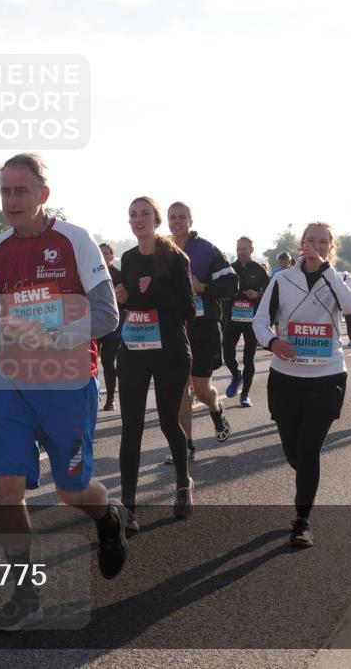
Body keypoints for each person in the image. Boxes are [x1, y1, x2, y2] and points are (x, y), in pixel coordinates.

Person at [0, 153, 127, 631]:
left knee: (72, 490)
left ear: (43, 194)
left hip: (68, 384)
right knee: (6, 489)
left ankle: (107, 518)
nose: (12, 200)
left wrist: (57, 335)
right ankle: (25, 595)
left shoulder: (75, 240)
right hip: (13, 385)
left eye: (21, 191)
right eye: (5, 192)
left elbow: (107, 315)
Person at [253, 222, 351, 547]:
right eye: (310, 241)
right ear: (301, 244)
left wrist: (326, 269)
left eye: (323, 242)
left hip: (327, 376)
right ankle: (307, 479)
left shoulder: (341, 279)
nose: (315, 246)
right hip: (286, 377)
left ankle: (302, 520)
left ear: (331, 246)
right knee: (294, 450)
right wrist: (273, 343)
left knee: (309, 448)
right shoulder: (282, 279)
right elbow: (259, 321)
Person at [116, 197, 195, 532]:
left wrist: (158, 288)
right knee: (130, 427)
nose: (138, 219)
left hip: (170, 351)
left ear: (156, 220)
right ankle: (129, 508)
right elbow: (134, 304)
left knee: (166, 421)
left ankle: (182, 483)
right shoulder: (128, 258)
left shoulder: (175, 257)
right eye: (133, 214)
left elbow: (188, 310)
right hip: (134, 349)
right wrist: (123, 298)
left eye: (144, 214)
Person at [165, 202, 238, 465]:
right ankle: (185, 447)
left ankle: (216, 408)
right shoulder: (162, 248)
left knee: (202, 389)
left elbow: (231, 285)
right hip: (174, 328)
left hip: (203, 327)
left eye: (182, 217)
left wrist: (203, 286)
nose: (177, 221)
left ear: (190, 220)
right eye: (172, 217)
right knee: (180, 389)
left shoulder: (207, 249)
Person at [223, 236, 268, 407]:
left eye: (244, 249)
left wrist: (257, 295)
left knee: (249, 358)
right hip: (233, 318)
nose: (241, 252)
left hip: (252, 320)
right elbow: (221, 289)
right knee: (227, 352)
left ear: (251, 250)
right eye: (238, 249)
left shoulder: (258, 270)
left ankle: (245, 394)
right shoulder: (230, 269)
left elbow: (270, 292)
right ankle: (236, 374)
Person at [97, 242, 123, 411]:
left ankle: (111, 398)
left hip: (113, 324)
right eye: (101, 252)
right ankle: (93, 393)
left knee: (107, 362)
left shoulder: (119, 275)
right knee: (88, 362)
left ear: (112, 256)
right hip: (94, 323)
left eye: (107, 253)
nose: (104, 255)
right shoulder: (91, 273)